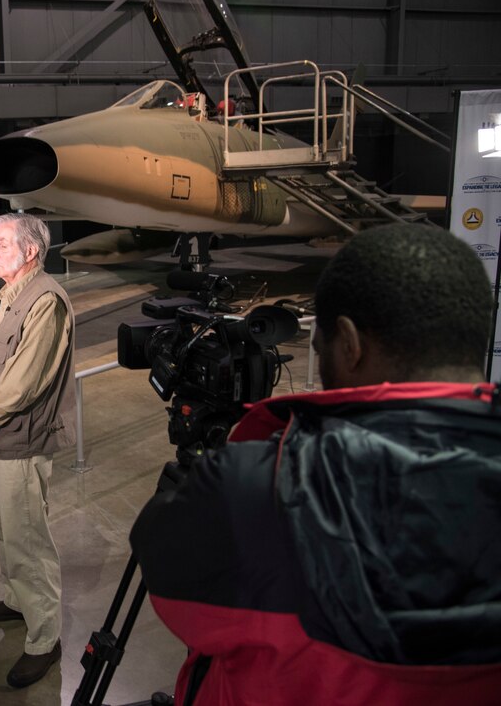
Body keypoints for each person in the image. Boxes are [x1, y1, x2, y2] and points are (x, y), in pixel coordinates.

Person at [131, 223, 501, 704]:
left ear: (350, 343)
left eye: (320, 342)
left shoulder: (254, 489)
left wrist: (206, 482)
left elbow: (170, 581)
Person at [0, 213, 76, 688]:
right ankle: (19, 601)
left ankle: (44, 639)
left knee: (28, 542)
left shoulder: (46, 301)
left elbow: (22, 386)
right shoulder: (10, 295)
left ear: (29, 252)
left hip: (18, 444)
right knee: (5, 531)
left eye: (1, 243)